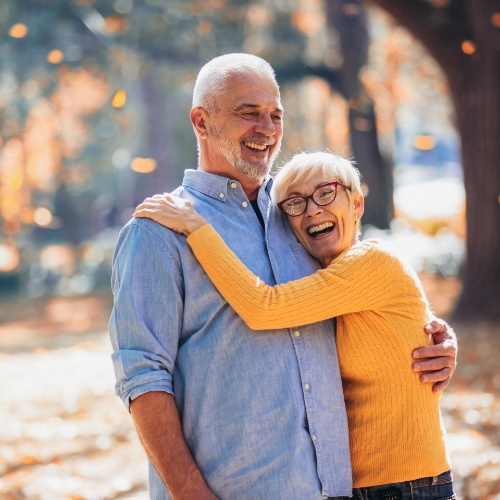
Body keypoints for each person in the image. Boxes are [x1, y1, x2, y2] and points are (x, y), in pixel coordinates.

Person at [110, 53, 457, 500]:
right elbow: (143, 378)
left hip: (340, 489)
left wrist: (432, 342)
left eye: (275, 115)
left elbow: (365, 302)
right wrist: (190, 493)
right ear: (201, 121)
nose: (267, 128)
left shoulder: (304, 214)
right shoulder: (157, 232)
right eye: (248, 113)